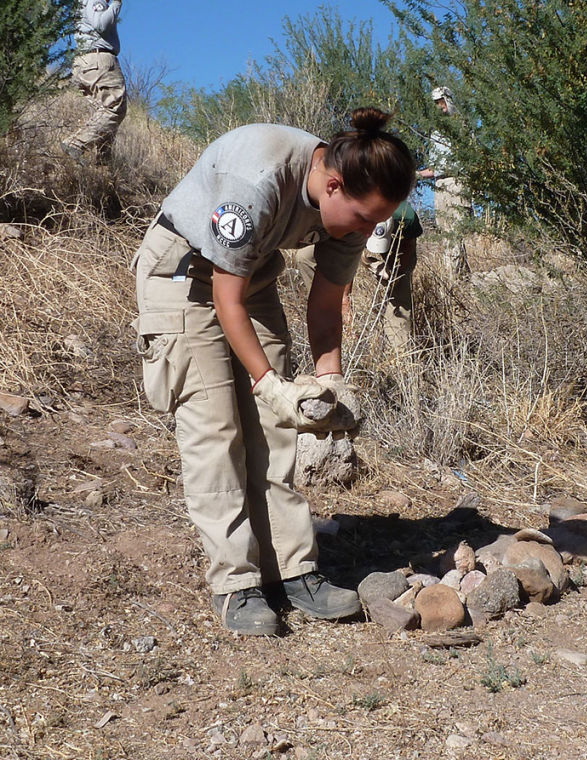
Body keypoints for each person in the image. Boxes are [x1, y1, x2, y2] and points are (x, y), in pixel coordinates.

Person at [131, 108, 415, 636]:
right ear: (332, 184)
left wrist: (328, 378)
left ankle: (293, 571)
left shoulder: (356, 206)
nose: (369, 231)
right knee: (216, 430)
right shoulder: (255, 180)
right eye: (363, 219)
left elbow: (327, 303)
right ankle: (235, 585)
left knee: (275, 428)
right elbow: (224, 296)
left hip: (250, 277)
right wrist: (268, 384)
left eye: (378, 221)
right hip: (184, 275)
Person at [296, 201, 423, 351]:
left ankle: (399, 351)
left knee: (399, 287)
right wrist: (344, 301)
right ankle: (326, 308)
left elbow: (406, 255)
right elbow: (344, 263)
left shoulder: (406, 218)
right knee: (304, 256)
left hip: (397, 240)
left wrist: (392, 272)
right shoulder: (350, 211)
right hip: (351, 231)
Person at [61, 0, 127, 162]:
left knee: (104, 112)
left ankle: (103, 163)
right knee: (114, 109)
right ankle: (75, 143)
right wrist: (116, 4)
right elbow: (100, 24)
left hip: (84, 63)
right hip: (99, 60)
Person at [417, 86, 471, 273]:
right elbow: (434, 168)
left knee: (456, 230)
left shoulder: (462, 126)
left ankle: (457, 276)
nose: (440, 107)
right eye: (436, 104)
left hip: (457, 182)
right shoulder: (436, 133)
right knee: (445, 231)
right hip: (440, 185)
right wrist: (415, 174)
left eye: (441, 102)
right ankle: (454, 275)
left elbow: (467, 159)